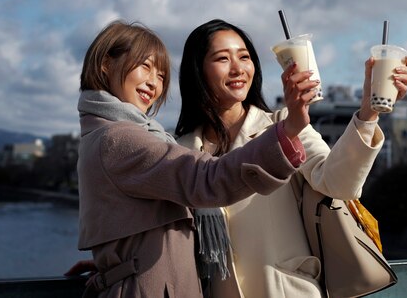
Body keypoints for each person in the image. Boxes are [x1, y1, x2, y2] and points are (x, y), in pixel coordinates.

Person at [74, 19, 318, 297]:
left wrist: (116, 262)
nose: (154, 82)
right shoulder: (120, 138)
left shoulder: (103, 134)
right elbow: (206, 179)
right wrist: (288, 130)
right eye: (145, 66)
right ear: (106, 64)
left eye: (162, 75)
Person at [175, 19, 407, 298]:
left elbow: (338, 183)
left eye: (244, 57)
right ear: (197, 70)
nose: (238, 68)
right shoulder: (180, 151)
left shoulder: (284, 124)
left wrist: (368, 113)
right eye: (222, 58)